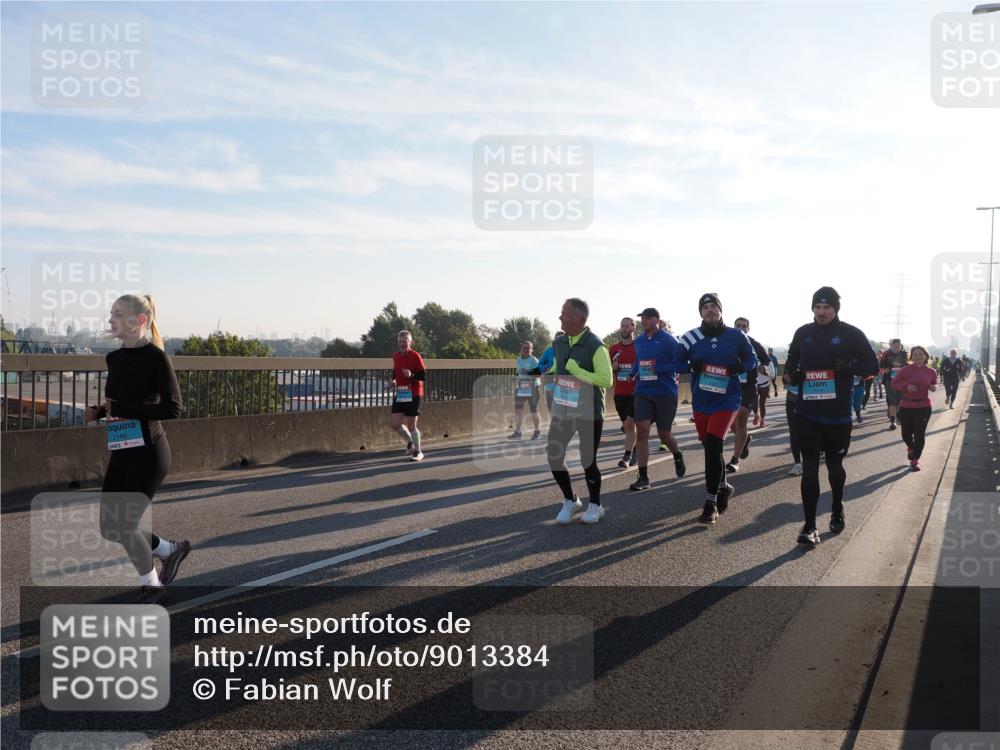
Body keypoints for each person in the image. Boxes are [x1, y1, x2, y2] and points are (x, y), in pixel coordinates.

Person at [86, 295, 187, 605]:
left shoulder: (157, 358)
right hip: (122, 450)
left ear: (140, 320)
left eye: (118, 314)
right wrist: (102, 412)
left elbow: (173, 409)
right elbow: (122, 403)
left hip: (149, 452)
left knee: (125, 525)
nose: (111, 320)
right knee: (110, 527)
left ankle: (152, 585)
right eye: (111, 313)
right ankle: (169, 550)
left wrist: (125, 409)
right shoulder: (114, 359)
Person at [784, 287, 879, 546]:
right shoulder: (803, 333)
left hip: (837, 415)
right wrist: (795, 375)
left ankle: (837, 508)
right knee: (810, 467)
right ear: (812, 308)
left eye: (827, 307)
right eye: (818, 307)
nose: (822, 312)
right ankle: (810, 525)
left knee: (835, 467)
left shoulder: (851, 334)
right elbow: (788, 371)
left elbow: (873, 366)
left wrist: (850, 368)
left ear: (836, 308)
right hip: (807, 412)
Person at [675, 293, 757, 524]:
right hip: (702, 401)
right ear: (700, 312)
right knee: (711, 448)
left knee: (713, 446)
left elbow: (751, 360)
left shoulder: (736, 336)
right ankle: (723, 487)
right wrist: (692, 365)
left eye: (714, 306)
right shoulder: (690, 337)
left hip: (727, 399)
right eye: (705, 307)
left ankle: (710, 503)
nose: (710, 310)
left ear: (721, 310)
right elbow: (676, 362)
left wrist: (740, 367)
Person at [547, 299, 614, 524]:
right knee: (553, 455)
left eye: (564, 313)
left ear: (578, 318)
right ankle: (570, 500)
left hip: (589, 411)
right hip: (564, 407)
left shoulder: (596, 345)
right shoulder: (559, 343)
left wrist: (579, 371)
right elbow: (559, 367)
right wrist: (549, 372)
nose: (560, 317)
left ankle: (596, 505)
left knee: (588, 460)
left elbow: (606, 380)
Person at [629, 308, 687, 490]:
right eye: (642, 318)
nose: (643, 321)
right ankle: (643, 477)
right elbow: (638, 362)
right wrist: (633, 371)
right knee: (643, 430)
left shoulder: (669, 340)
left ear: (657, 320)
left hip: (665, 393)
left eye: (646, 318)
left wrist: (659, 368)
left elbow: (682, 364)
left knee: (664, 435)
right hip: (643, 391)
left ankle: (677, 454)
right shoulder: (638, 341)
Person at [726, 317, 770, 473]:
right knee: (730, 423)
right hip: (729, 386)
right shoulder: (727, 341)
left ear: (748, 328)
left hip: (748, 388)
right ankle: (744, 441)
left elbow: (766, 360)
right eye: (738, 325)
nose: (741, 328)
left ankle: (735, 459)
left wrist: (756, 365)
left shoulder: (754, 343)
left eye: (744, 326)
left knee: (741, 418)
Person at [892, 346, 939, 471]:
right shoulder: (905, 370)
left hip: (923, 406)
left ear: (926, 356)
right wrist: (906, 386)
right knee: (906, 434)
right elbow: (894, 384)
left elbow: (934, 383)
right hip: (906, 406)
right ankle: (911, 447)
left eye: (920, 354)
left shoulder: (931, 371)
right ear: (911, 357)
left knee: (919, 435)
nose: (918, 356)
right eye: (915, 354)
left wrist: (933, 387)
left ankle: (915, 460)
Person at [389, 330, 426, 462]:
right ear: (397, 342)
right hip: (401, 392)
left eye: (405, 341)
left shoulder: (415, 356)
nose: (402, 344)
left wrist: (411, 375)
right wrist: (393, 381)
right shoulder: (396, 356)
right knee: (394, 423)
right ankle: (411, 442)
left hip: (414, 393)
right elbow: (396, 370)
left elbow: (423, 376)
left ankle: (418, 452)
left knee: (411, 425)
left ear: (411, 342)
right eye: (400, 341)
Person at [609, 317, 638, 469]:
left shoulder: (639, 346)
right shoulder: (613, 349)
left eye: (627, 326)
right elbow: (608, 371)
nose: (624, 329)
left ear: (634, 328)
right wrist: (613, 368)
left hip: (636, 392)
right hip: (619, 393)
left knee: (630, 424)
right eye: (622, 326)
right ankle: (635, 449)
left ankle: (626, 457)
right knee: (627, 428)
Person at [509, 341, 542, 440]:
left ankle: (537, 431)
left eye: (528, 348)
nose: (526, 350)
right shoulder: (519, 359)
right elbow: (519, 372)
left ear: (531, 350)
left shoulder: (534, 360)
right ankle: (518, 432)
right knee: (518, 410)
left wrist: (528, 372)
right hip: (522, 387)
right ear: (521, 349)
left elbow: (538, 375)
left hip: (533, 388)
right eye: (524, 348)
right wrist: (515, 377)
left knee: (533, 410)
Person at [879, 339, 908, 431]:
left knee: (900, 399)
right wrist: (886, 368)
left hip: (901, 380)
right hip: (889, 379)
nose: (897, 347)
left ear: (900, 346)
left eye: (898, 346)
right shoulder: (886, 354)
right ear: (891, 346)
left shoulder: (904, 354)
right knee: (891, 399)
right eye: (895, 346)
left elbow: (907, 364)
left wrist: (899, 365)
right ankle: (893, 421)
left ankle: (898, 415)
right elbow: (882, 365)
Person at [784, 359, 803, 475]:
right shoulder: (791, 360)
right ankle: (797, 463)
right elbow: (784, 379)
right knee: (794, 431)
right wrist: (786, 379)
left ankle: (815, 454)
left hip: (810, 397)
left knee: (811, 430)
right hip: (792, 398)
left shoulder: (815, 353)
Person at [537, 333, 561, 413]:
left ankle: (563, 423)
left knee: (563, 405)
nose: (558, 341)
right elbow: (540, 364)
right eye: (556, 339)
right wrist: (545, 368)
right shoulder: (548, 351)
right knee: (550, 404)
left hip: (564, 380)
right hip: (550, 379)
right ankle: (554, 422)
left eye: (561, 339)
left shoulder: (570, 350)